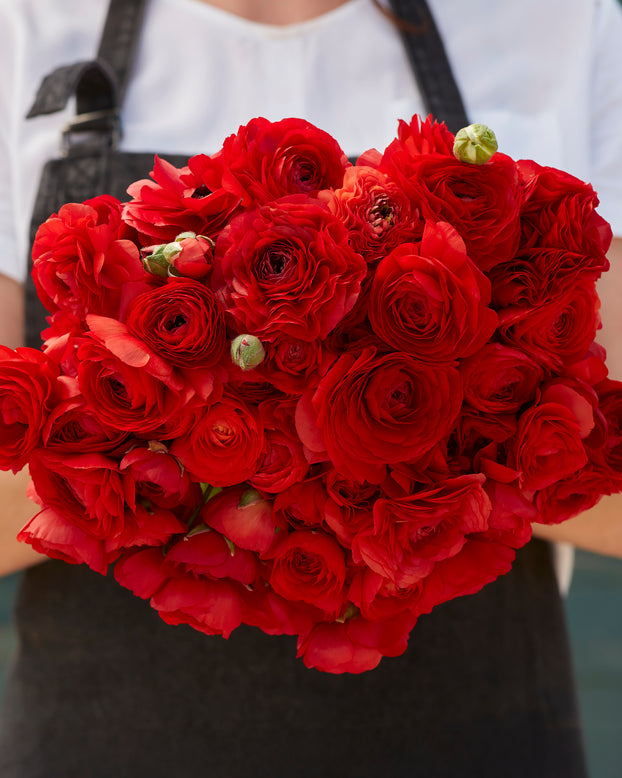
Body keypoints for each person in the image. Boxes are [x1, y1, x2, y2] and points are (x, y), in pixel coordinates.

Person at [0, 0, 621, 775]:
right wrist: (241, 447)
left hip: (475, 735)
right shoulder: (25, 27)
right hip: (102, 741)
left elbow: (608, 460)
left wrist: (395, 474)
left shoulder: (558, 23)